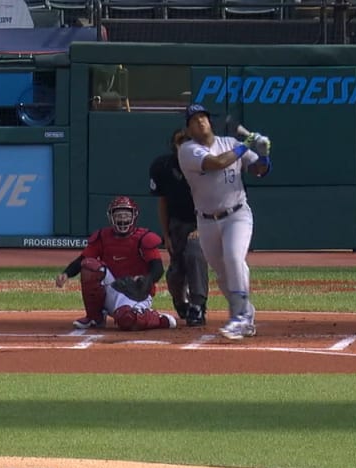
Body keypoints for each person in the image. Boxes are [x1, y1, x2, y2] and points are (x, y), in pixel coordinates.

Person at [177, 104, 271, 340]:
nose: (200, 122)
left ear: (210, 121)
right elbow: (216, 163)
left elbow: (259, 170)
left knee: (233, 258)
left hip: (237, 214)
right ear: (188, 128)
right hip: (207, 220)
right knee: (222, 273)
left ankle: (239, 317)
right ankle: (247, 315)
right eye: (194, 120)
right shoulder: (187, 150)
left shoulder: (229, 143)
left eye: (203, 117)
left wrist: (264, 153)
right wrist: (246, 145)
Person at [55, 195, 177, 331]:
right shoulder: (102, 237)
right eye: (119, 215)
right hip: (112, 287)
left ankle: (161, 320)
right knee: (90, 266)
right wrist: (66, 274)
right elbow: (83, 259)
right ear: (111, 217)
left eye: (126, 215)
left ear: (134, 216)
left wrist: (145, 281)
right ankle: (95, 317)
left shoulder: (143, 238)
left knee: (126, 320)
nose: (123, 219)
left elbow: (157, 268)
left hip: (136, 292)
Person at [149, 128, 209, 327]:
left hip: (205, 219)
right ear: (173, 145)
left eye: (188, 140)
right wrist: (165, 234)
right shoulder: (163, 166)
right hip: (178, 222)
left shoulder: (206, 165)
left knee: (194, 254)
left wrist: (202, 226)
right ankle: (180, 301)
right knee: (175, 271)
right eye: (180, 141)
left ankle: (198, 305)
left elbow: (214, 197)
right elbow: (163, 201)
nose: (184, 145)